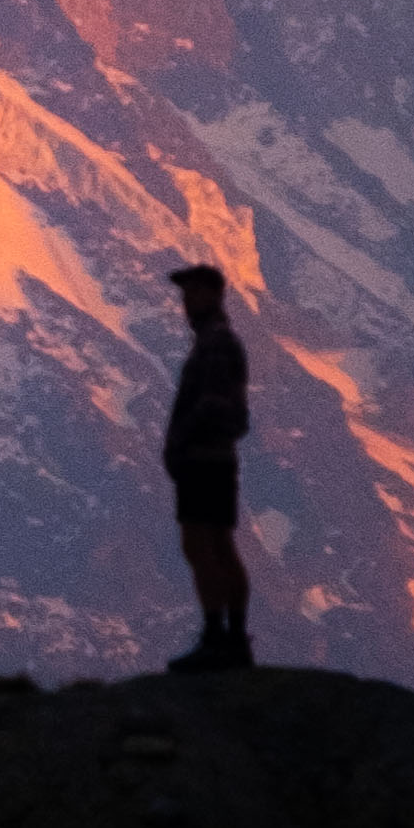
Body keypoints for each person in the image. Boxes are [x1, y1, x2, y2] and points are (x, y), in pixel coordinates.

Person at [161, 263, 251, 672]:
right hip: (218, 459)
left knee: (200, 545)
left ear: (212, 295)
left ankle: (218, 638)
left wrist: (181, 442)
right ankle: (233, 636)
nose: (185, 303)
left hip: (203, 461)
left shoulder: (214, 346)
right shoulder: (218, 342)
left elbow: (213, 403)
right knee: (220, 545)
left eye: (192, 293)